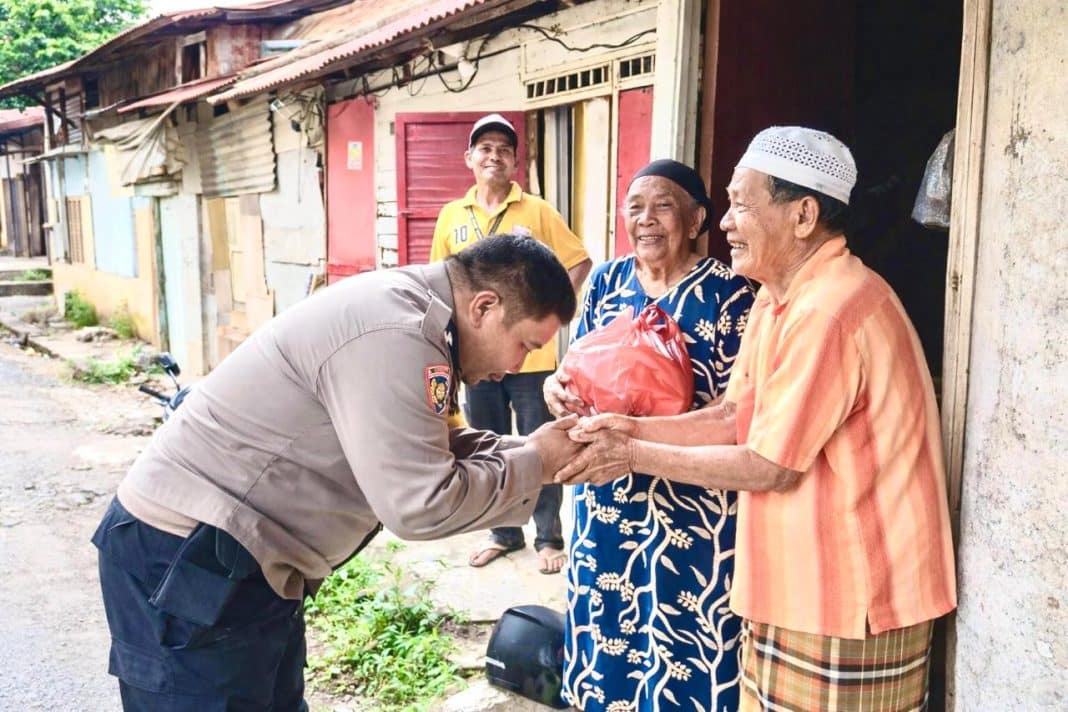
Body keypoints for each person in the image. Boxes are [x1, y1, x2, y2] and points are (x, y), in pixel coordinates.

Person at [91, 234, 586, 711]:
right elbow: (420, 504)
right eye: (525, 344)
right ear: (484, 307)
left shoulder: (419, 321)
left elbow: (422, 449)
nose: (517, 366)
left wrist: (531, 451)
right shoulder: (399, 333)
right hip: (187, 557)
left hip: (244, 561)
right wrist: (537, 461)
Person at [556, 127, 958, 711]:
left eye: (742, 204)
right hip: (799, 588)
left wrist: (632, 454)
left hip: (855, 596)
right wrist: (627, 429)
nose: (724, 223)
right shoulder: (777, 299)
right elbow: (733, 415)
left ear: (803, 216)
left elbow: (770, 465)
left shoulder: (830, 309)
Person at [543, 159, 754, 711]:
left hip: (692, 503)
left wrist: (643, 433)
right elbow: (579, 365)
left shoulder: (732, 295)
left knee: (686, 633)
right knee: (609, 626)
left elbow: (737, 412)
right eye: (635, 207)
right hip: (607, 495)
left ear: (696, 219)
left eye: (663, 206)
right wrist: (556, 386)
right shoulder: (607, 281)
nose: (646, 219)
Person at [430, 113, 592, 574]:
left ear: (516, 162)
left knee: (542, 443)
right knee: (490, 443)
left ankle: (549, 536)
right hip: (475, 357)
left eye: (504, 149)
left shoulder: (536, 211)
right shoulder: (451, 215)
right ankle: (503, 533)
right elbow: (440, 280)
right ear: (469, 158)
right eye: (485, 148)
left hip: (531, 359)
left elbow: (578, 261)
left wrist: (547, 311)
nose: (494, 156)